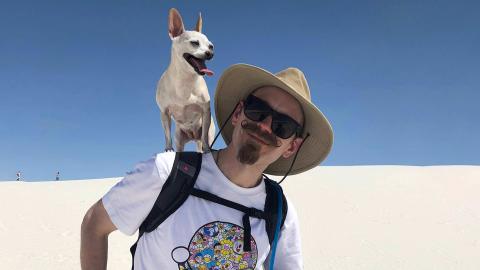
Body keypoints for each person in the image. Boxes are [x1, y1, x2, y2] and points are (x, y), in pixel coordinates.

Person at [81, 64, 334, 269]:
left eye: (283, 126)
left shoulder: (279, 211)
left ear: (292, 146)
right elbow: (95, 224)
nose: (266, 126)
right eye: (258, 110)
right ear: (238, 113)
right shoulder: (167, 173)